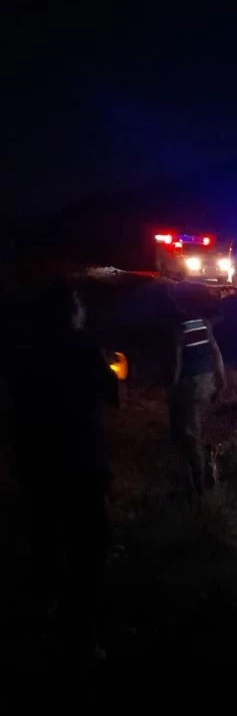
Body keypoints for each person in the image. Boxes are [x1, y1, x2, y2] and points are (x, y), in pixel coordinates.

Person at [7, 280, 118, 663]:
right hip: (80, 463)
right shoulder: (82, 347)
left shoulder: (23, 351)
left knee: (45, 543)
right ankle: (78, 639)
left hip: (37, 463)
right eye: (79, 303)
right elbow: (112, 393)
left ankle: (39, 622)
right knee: (88, 551)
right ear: (71, 311)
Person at [168, 293, 226, 496]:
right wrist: (221, 380)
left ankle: (199, 487)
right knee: (201, 430)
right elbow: (216, 352)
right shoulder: (204, 324)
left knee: (190, 435)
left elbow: (177, 362)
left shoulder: (179, 329)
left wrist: (173, 388)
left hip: (190, 386)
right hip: (207, 383)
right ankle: (211, 470)